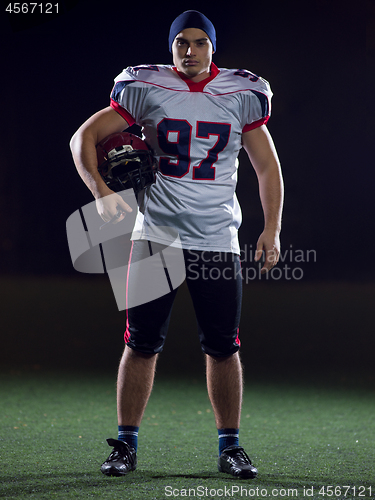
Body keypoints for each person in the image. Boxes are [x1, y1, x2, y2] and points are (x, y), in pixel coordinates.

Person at [70, 10, 284, 479]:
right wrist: (101, 195)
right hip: (156, 234)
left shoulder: (240, 94)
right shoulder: (145, 88)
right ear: (171, 48)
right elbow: (82, 138)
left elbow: (266, 166)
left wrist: (272, 228)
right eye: (181, 43)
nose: (190, 51)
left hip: (217, 236)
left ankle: (230, 447)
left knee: (224, 346)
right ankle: (125, 444)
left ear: (212, 47)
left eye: (199, 42)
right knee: (141, 343)